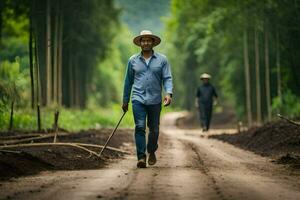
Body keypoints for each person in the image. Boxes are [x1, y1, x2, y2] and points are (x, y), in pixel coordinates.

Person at [122, 30, 173, 168]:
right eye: (143, 40)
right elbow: (128, 81)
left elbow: (167, 78)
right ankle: (141, 157)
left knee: (154, 130)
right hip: (137, 99)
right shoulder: (132, 60)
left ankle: (151, 151)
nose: (146, 43)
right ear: (140, 43)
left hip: (155, 99)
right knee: (139, 127)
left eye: (148, 40)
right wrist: (125, 100)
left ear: (153, 43)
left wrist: (168, 94)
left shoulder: (162, 60)